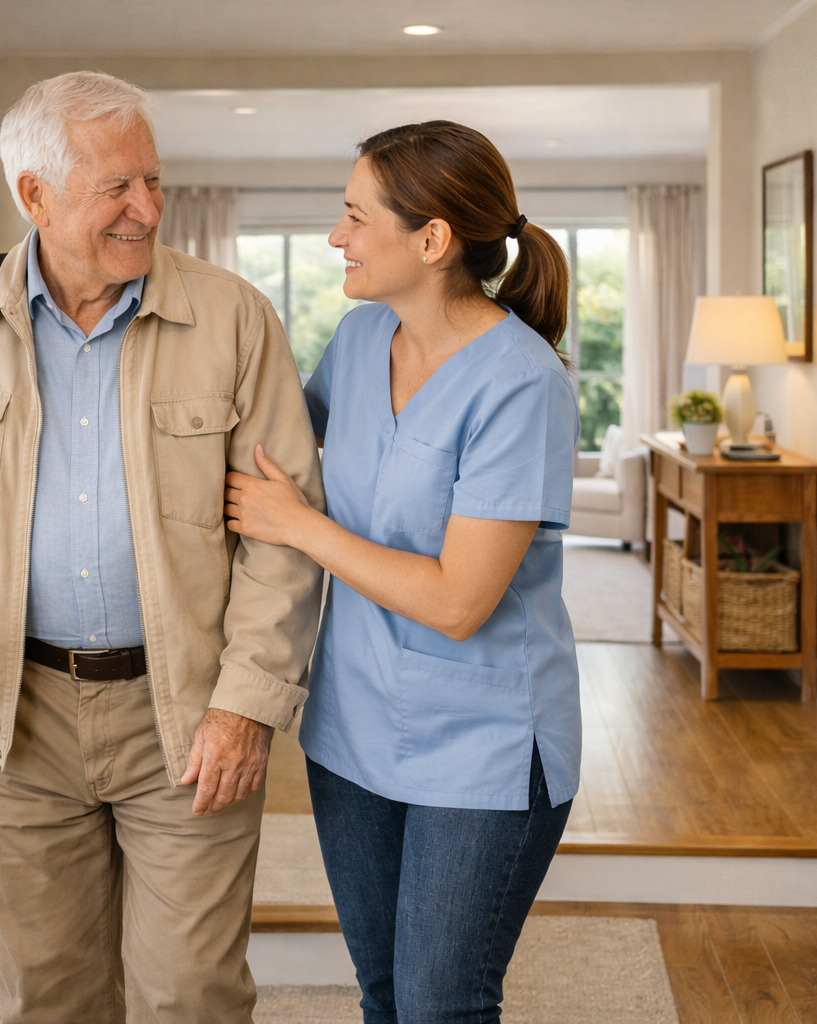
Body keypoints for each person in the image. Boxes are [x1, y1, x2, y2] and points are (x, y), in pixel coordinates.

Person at [0, 71, 325, 1024]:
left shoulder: (233, 318)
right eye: (117, 187)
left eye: (153, 180)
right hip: (13, 711)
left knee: (191, 991)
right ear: (35, 195)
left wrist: (248, 704)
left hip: (187, 708)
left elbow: (287, 532)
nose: (145, 208)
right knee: (49, 991)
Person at [223, 120, 580, 1023]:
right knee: (385, 991)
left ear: (431, 240)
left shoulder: (520, 383)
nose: (336, 237)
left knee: (439, 1004)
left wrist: (302, 528)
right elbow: (275, 452)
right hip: (353, 730)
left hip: (486, 747)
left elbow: (459, 600)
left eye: (352, 216)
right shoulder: (358, 339)